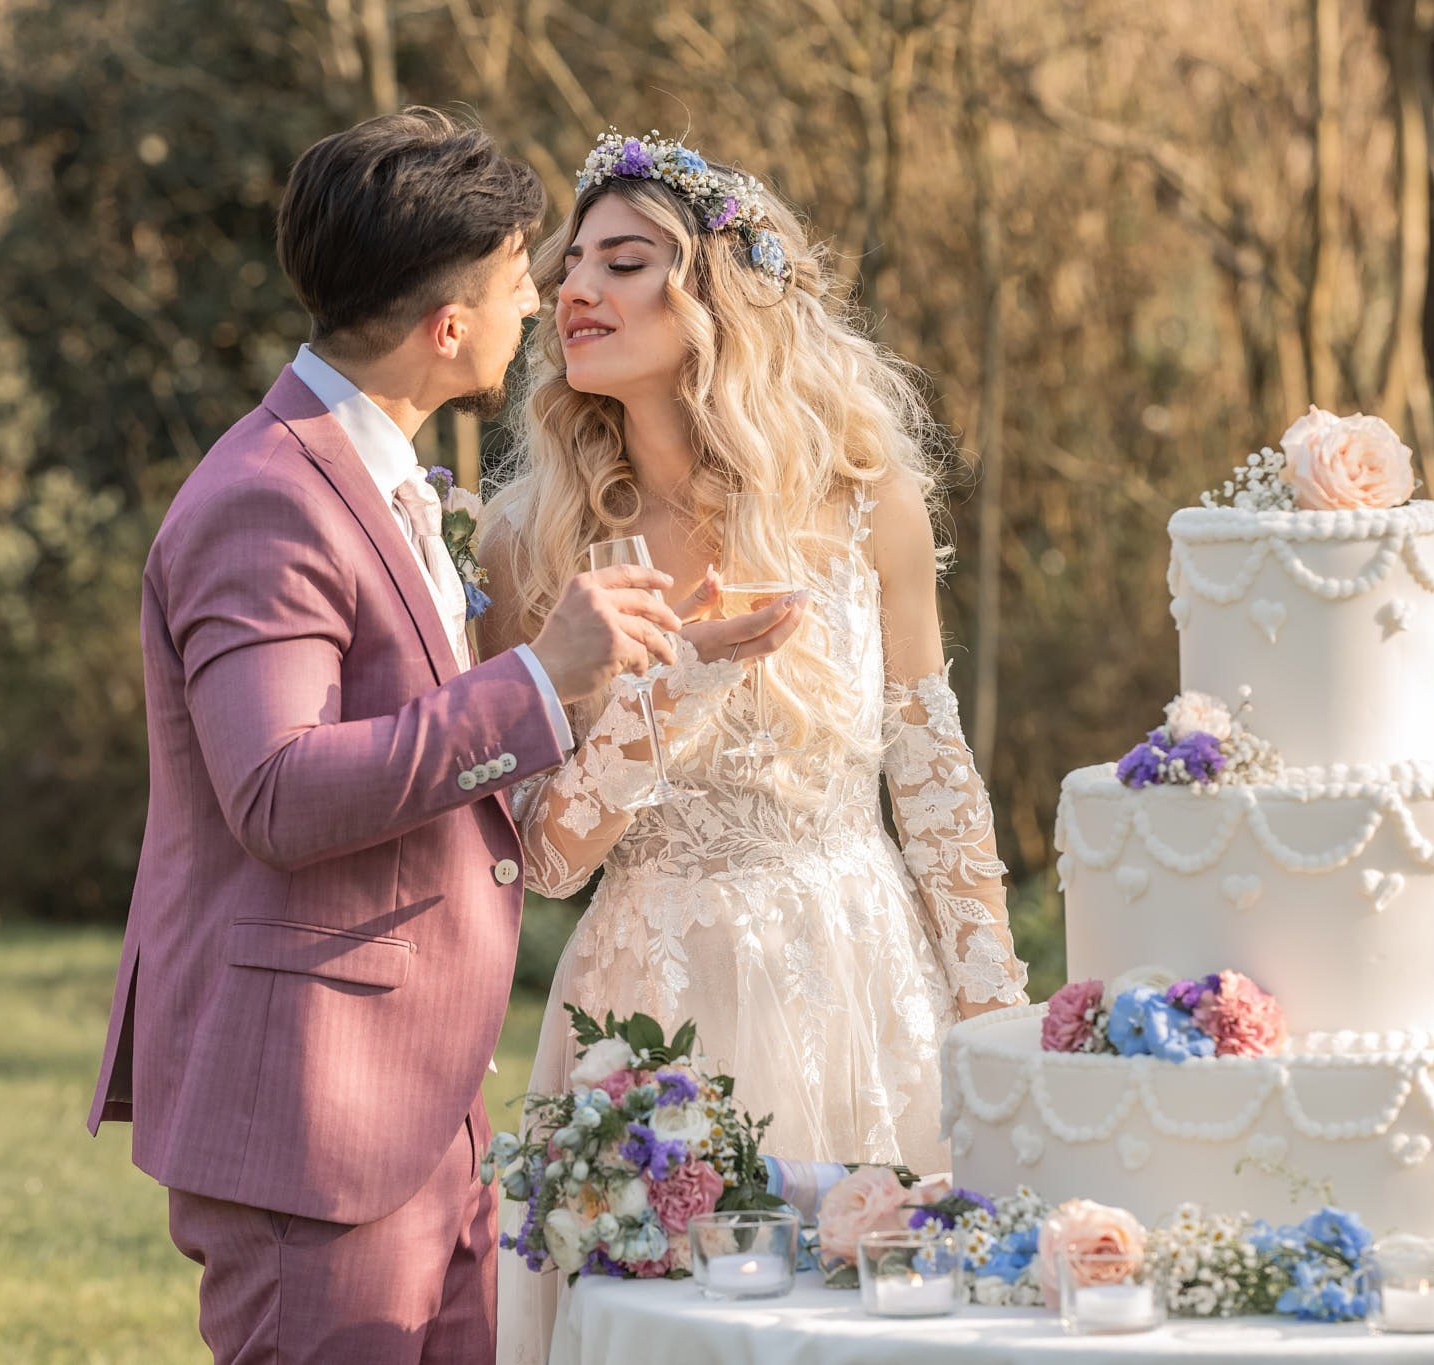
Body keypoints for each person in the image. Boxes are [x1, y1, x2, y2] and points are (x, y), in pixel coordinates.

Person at [85, 108, 804, 1365]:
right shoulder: (265, 499)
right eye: (523, 281)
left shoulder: (384, 478)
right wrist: (536, 677)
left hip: (420, 1113)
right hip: (312, 1124)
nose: (545, 306)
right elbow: (279, 792)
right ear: (450, 325)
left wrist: (628, 670)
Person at [480, 131, 1030, 1361]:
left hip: (862, 975)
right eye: (571, 269)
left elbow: (931, 778)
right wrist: (677, 684)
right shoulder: (531, 541)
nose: (576, 292)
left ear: (718, 291)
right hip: (653, 1003)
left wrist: (994, 1021)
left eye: (624, 264)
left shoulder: (861, 497)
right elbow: (550, 856)